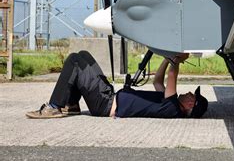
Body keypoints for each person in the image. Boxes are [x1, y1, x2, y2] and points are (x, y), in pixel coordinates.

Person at [25, 50, 208, 119]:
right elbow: (157, 80)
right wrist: (165, 57)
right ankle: (72, 105)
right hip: (109, 96)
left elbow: (171, 76)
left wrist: (177, 59)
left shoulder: (172, 109)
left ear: (191, 104)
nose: (190, 93)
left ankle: (54, 106)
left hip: (104, 105)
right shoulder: (169, 101)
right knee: (84, 56)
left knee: (75, 61)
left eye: (193, 95)